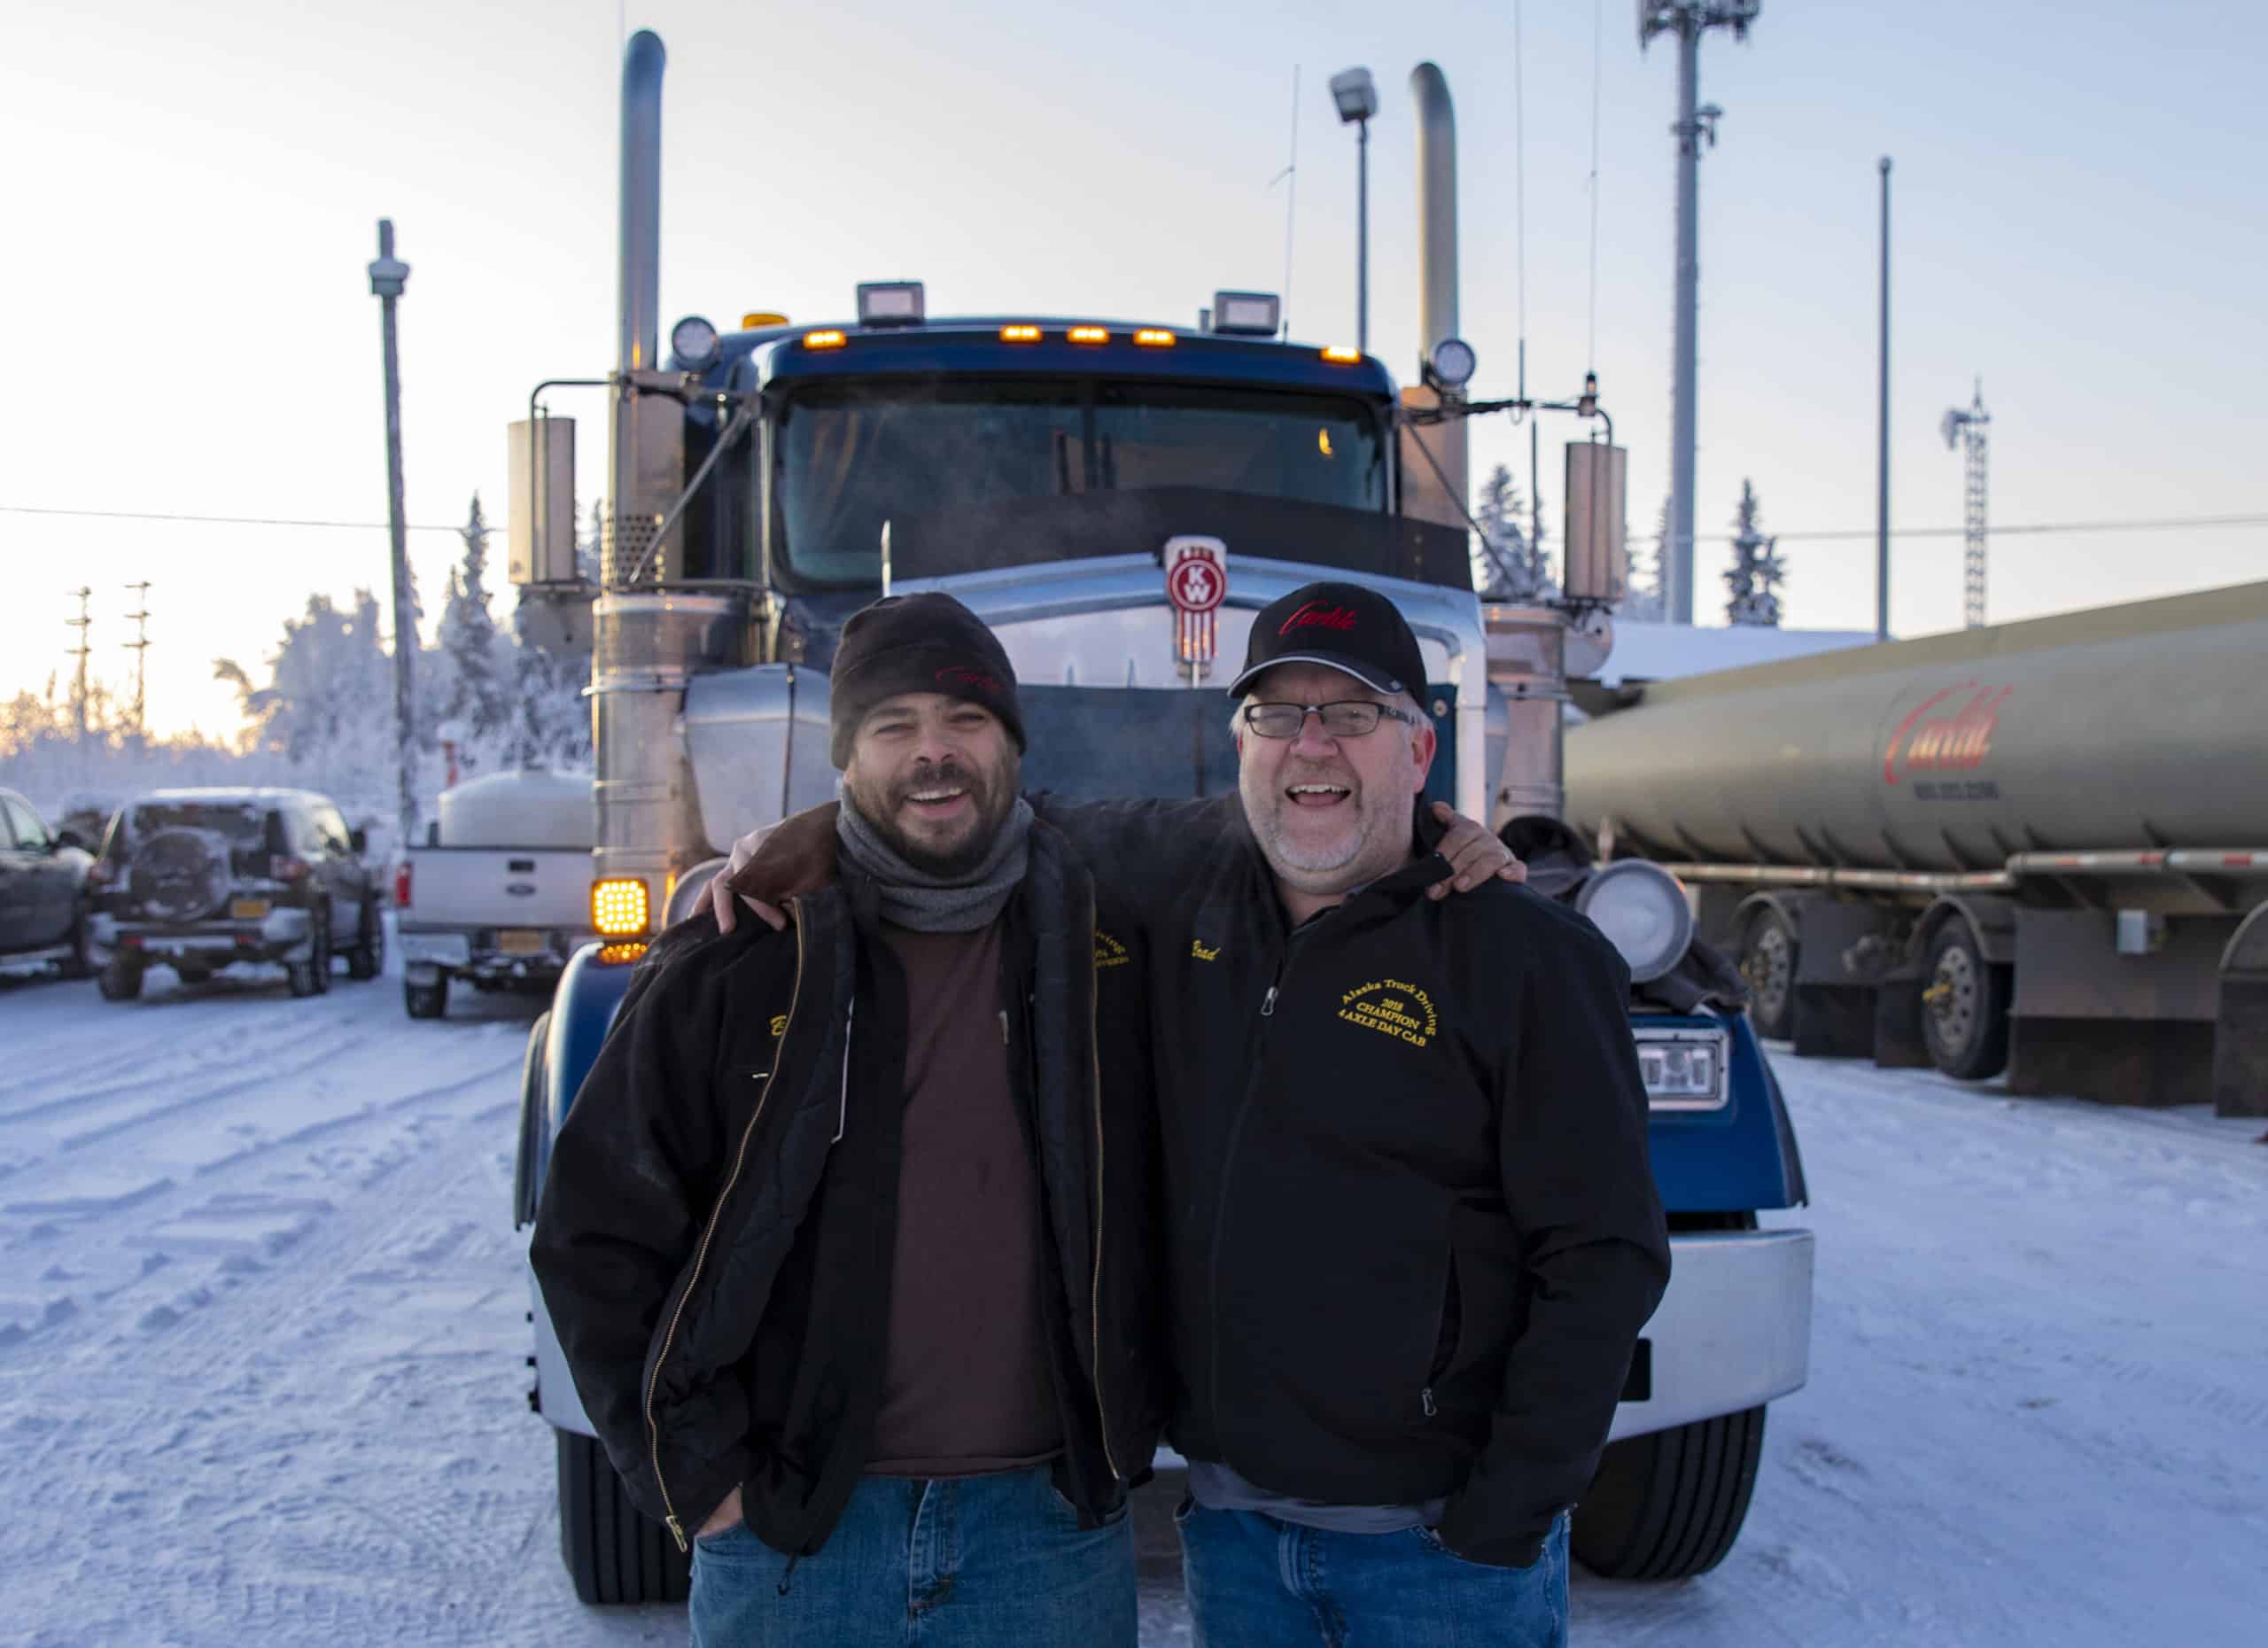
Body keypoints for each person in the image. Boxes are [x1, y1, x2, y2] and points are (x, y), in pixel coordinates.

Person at [531, 593, 1163, 1648]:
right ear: (846, 761)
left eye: (965, 721)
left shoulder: (1110, 940)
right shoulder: (736, 961)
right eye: (892, 727)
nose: (933, 754)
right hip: (800, 1542)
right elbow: (595, 1232)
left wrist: (1428, 826)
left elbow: (1274, 843)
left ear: (1009, 744)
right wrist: (699, 1473)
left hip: (1046, 1536)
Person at [1148, 582, 1671, 1648]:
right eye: (1278, 715)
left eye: (1351, 714)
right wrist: (820, 839)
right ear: (1239, 744)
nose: (1312, 747)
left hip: (1436, 1563)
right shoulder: (1177, 921)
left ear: (1420, 751)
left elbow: (1603, 1255)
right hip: (1234, 1541)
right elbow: (989, 822)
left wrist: (1502, 1518)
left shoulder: (1527, 960)